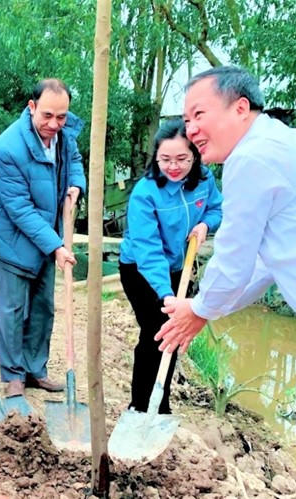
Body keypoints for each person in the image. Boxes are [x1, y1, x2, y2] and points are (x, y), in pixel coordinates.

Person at [154, 66, 296, 498]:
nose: (191, 129)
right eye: (185, 119)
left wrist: (200, 309)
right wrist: (204, 311)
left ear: (241, 108)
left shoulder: (253, 157)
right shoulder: (276, 147)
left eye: (199, 114)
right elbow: (260, 265)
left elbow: (233, 258)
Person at [0, 78, 85, 397]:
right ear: (32, 107)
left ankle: (35, 370)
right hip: (12, 238)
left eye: (62, 117)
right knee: (12, 310)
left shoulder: (65, 136)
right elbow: (19, 208)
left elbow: (75, 162)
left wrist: (76, 184)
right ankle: (13, 375)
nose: (54, 124)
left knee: (43, 308)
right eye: (47, 116)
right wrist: (56, 245)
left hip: (47, 236)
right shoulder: (9, 147)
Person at [118, 118, 222, 415]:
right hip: (141, 270)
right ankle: (140, 407)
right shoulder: (145, 193)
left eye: (181, 159)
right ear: (156, 157)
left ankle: (160, 406)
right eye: (165, 159)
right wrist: (167, 295)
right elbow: (148, 250)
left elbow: (218, 208)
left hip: (179, 267)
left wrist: (206, 224)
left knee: (174, 334)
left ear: (195, 156)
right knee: (155, 332)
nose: (173, 166)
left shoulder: (203, 180)